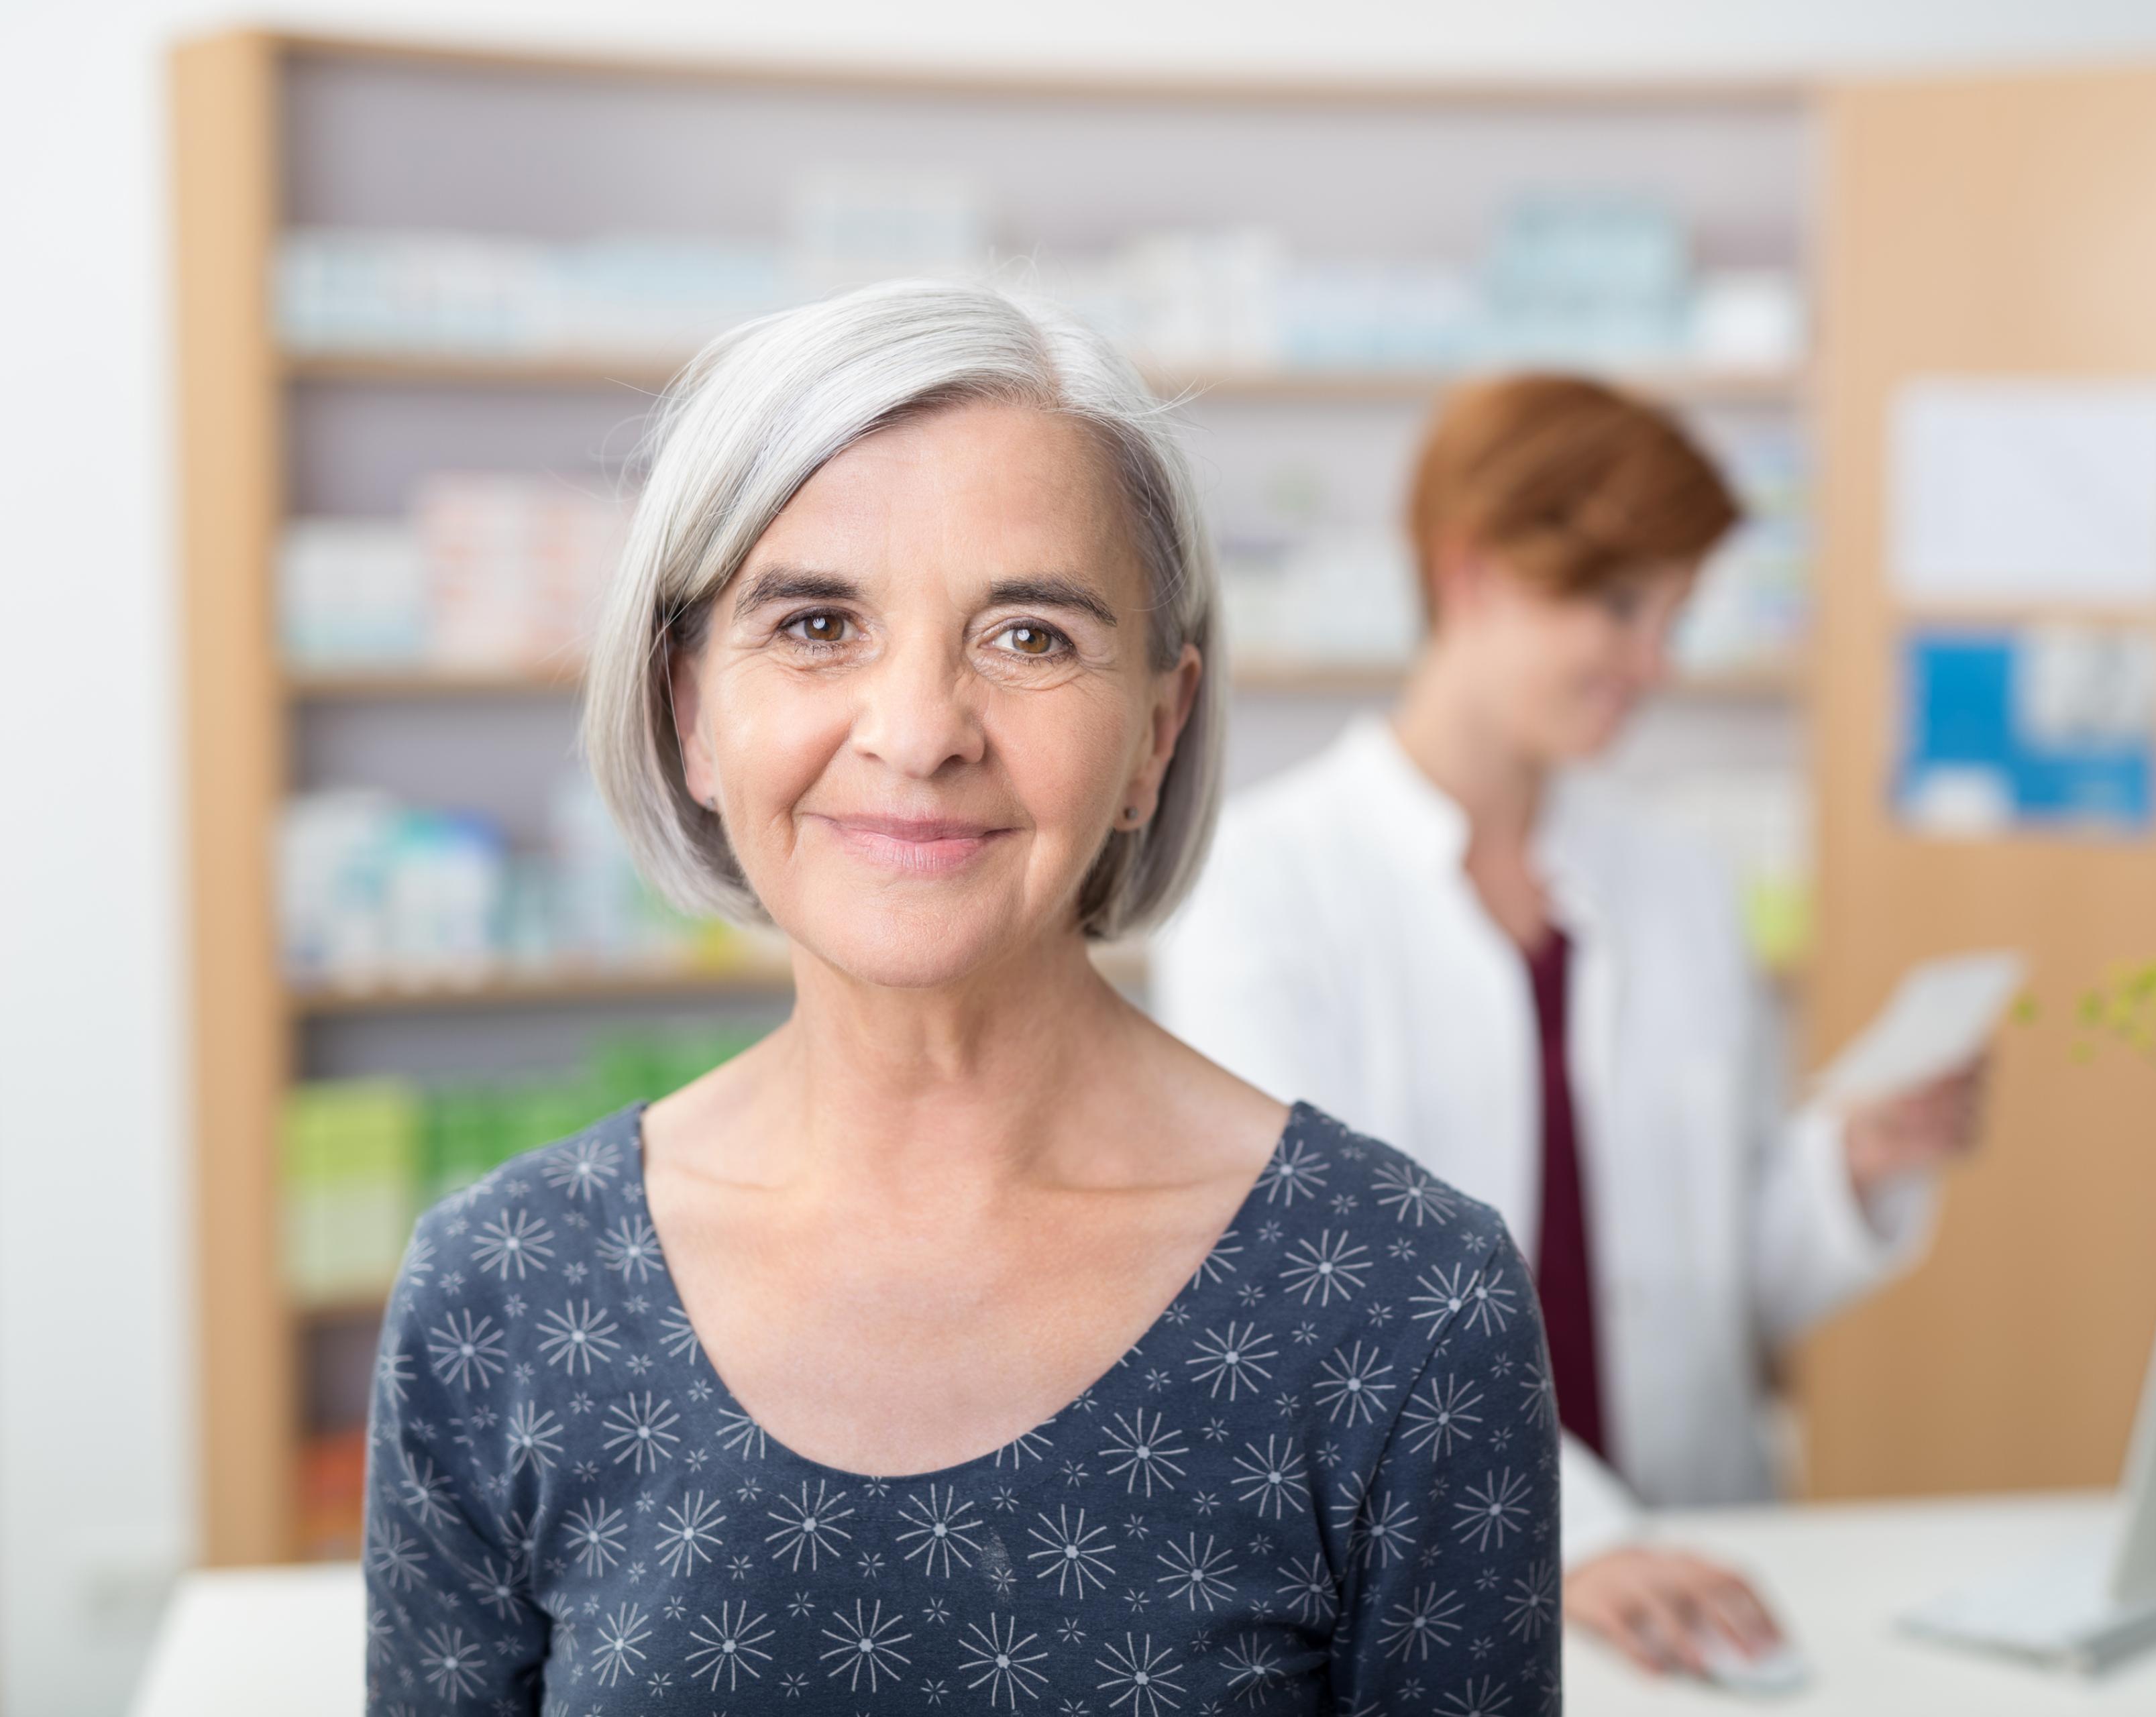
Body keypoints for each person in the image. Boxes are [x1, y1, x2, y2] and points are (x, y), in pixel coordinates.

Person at [361, 284, 1561, 1716]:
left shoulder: (1406, 1299)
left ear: (1153, 735)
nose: (920, 731)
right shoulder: (501, 1291)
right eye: (816, 622)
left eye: (1031, 636)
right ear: (690, 711)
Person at [1154, 376, 1984, 1677]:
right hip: (1411, 1590)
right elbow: (1316, 1305)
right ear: (1473, 571)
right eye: (1620, 605)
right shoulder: (1265, 886)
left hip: (1697, 1580)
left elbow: (1727, 1297)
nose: (1656, 660)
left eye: (1675, 614)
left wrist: (1856, 1165)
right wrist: (1577, 1534)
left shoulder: (1679, 881)